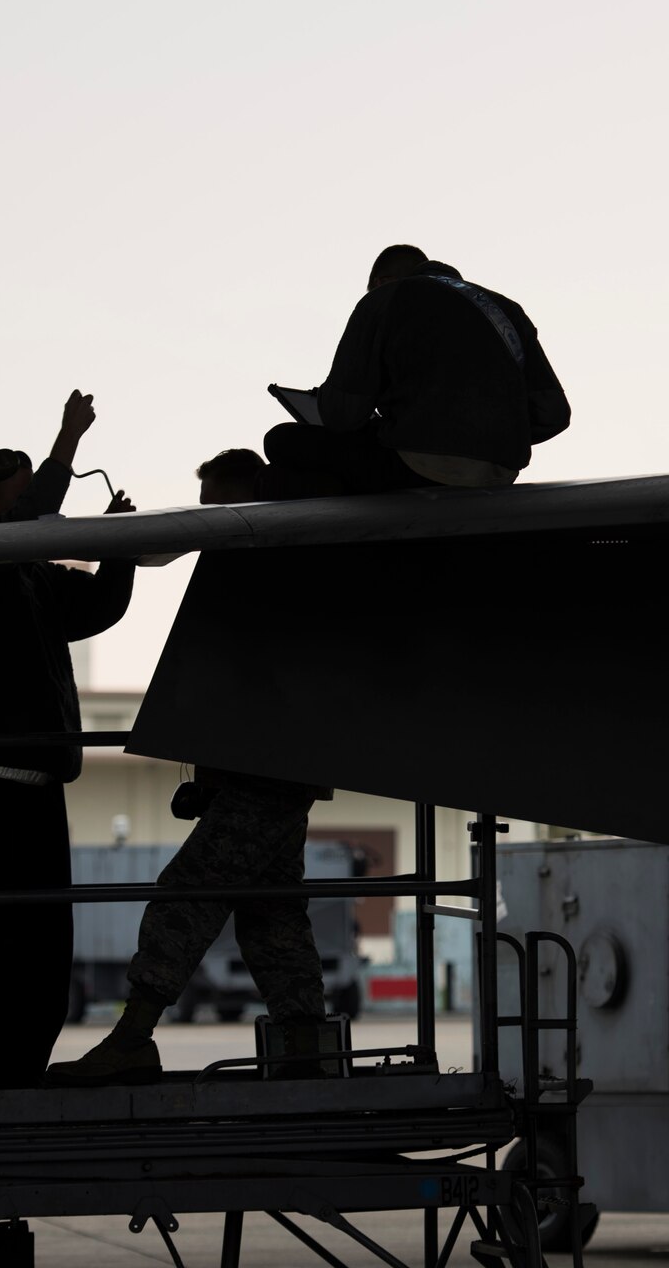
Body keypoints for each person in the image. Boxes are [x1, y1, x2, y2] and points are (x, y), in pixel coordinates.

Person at [45, 452, 334, 1086]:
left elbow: (257, 685)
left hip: (269, 770)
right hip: (269, 770)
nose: (209, 521)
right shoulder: (262, 566)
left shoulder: (270, 566)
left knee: (187, 895)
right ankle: (308, 1049)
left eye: (217, 506)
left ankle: (131, 1038)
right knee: (272, 913)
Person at [0, 390, 136, 1089]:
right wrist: (68, 440)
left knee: (43, 944)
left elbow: (100, 605)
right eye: (16, 499)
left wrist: (119, 547)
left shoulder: (38, 581)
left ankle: (20, 1071)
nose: (35, 512)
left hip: (40, 796)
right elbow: (30, 517)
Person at [261, 244, 570, 497]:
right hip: (499, 471)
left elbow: (342, 415)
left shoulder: (382, 301)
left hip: (417, 464)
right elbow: (553, 414)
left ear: (381, 282)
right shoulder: (506, 308)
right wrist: (490, 435)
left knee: (280, 442)